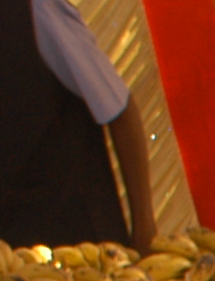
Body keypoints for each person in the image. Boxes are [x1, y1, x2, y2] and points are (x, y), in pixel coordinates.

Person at [7, 0, 155, 249]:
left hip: (84, 243)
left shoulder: (34, 10)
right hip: (13, 257)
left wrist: (144, 228)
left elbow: (119, 111)